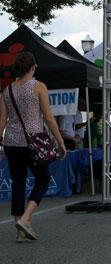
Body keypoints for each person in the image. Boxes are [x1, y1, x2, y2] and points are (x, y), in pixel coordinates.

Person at [0, 52, 67, 241]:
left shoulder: (7, 90)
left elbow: (2, 119)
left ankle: (20, 232)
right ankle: (26, 218)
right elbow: (48, 117)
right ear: (32, 67)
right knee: (43, 179)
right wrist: (60, 141)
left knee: (18, 183)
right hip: (33, 141)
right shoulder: (38, 87)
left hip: (12, 142)